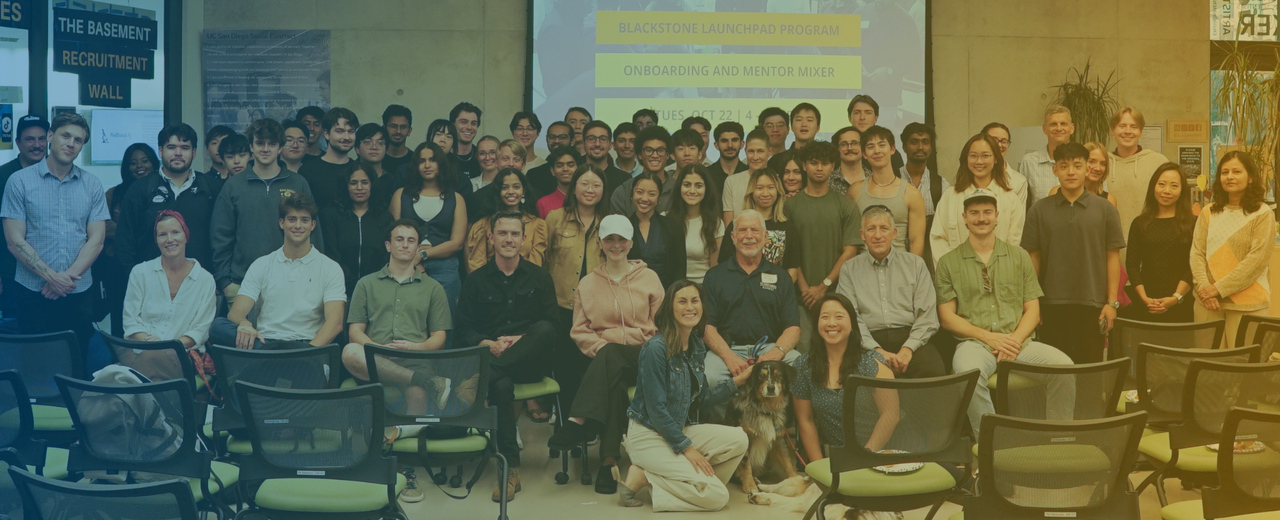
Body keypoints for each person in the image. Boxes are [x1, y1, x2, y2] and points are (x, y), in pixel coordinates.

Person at [937, 190, 1074, 437]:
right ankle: (993, 444)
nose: (981, 218)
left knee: (1065, 367)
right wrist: (989, 338)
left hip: (1018, 341)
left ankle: (1059, 439)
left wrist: (1013, 341)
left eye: (987, 212)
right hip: (975, 344)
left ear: (997, 216)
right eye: (974, 213)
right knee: (968, 374)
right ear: (964, 217)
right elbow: (947, 317)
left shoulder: (1019, 256)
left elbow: (1033, 309)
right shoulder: (948, 262)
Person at [549, 214, 665, 492]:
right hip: (607, 359)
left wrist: (642, 347)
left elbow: (664, 326)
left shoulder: (649, 278)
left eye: (621, 240)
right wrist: (603, 350)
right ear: (600, 243)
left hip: (645, 354)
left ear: (631, 242)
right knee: (613, 379)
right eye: (609, 239)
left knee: (611, 357)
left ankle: (577, 420)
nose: (616, 245)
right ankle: (608, 463)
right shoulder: (588, 283)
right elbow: (579, 330)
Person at [614, 280, 752, 512]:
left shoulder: (697, 346)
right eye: (682, 301)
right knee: (718, 498)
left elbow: (701, 399)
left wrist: (736, 382)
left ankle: (671, 479)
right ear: (670, 308)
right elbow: (656, 410)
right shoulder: (655, 349)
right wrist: (687, 449)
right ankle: (647, 478)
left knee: (740, 439)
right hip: (648, 435)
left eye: (695, 301)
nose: (690, 307)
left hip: (677, 429)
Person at [455, 211, 561, 501]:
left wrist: (520, 339)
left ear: (524, 239)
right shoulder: (475, 281)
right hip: (494, 359)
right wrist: (485, 342)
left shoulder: (540, 277)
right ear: (491, 238)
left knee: (542, 329)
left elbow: (553, 326)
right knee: (500, 386)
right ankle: (510, 469)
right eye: (502, 233)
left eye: (515, 234)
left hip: (528, 362)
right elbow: (462, 329)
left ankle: (487, 373)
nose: (509, 239)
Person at [1, 112, 107, 358]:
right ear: (51, 136)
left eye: (78, 140)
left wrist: (64, 279)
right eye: (65, 135)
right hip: (33, 293)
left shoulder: (92, 184)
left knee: (76, 362)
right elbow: (14, 241)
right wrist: (49, 276)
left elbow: (97, 240)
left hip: (77, 292)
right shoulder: (19, 182)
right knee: (35, 364)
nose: (71, 143)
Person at [1023, 142, 1125, 363]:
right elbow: (1034, 259)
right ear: (1055, 170)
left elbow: (1112, 257)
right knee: (1054, 372)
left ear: (1086, 168)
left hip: (1093, 305)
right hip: (1050, 305)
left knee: (1090, 372)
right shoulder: (1038, 210)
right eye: (1063, 166)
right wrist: (1033, 304)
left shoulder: (1105, 209)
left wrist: (1111, 303)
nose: (1070, 172)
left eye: (1077, 165)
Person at [210, 193, 345, 350]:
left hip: (306, 346)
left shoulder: (330, 268)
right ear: (282, 223)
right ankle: (273, 358)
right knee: (218, 326)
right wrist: (244, 323)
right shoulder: (261, 264)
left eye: (305, 220)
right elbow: (235, 313)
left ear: (313, 225)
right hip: (265, 342)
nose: (298, 226)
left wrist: (308, 353)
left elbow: (335, 322)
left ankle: (279, 361)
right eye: (292, 219)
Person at [210, 119, 323, 300]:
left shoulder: (298, 182)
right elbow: (220, 237)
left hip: (294, 283)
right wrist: (225, 283)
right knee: (245, 329)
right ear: (251, 147)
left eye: (272, 144)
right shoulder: (233, 186)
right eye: (260, 143)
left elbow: (313, 233)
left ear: (280, 148)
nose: (265, 149)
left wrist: (315, 277)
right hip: (243, 284)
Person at [837, 206, 945, 379]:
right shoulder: (849, 269)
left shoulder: (915, 265)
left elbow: (927, 316)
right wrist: (877, 350)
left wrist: (908, 349)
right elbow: (850, 317)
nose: (878, 235)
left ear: (894, 233)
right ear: (862, 235)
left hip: (911, 337)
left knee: (933, 372)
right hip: (868, 342)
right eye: (871, 229)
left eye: (884, 228)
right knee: (856, 377)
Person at [702, 209, 802, 389]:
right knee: (710, 377)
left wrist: (776, 353)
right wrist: (729, 357)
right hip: (727, 349)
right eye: (742, 230)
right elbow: (708, 328)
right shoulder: (714, 276)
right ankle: (724, 419)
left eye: (755, 230)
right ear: (733, 237)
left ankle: (783, 418)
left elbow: (793, 328)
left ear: (765, 236)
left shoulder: (781, 277)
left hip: (770, 347)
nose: (749, 236)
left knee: (798, 367)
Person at [793, 293, 896, 463]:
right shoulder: (804, 365)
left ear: (853, 325)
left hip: (884, 452)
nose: (831, 323)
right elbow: (806, 421)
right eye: (824, 317)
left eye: (839, 317)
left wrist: (863, 458)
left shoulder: (873, 362)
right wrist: (819, 468)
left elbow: (891, 415)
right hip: (838, 460)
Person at [1191, 151, 1276, 348]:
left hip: (1247, 303)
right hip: (1207, 302)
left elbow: (1257, 261)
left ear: (1251, 177)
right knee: (1207, 365)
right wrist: (1205, 289)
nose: (1229, 177)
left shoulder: (1262, 214)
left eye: (1237, 171)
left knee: (1242, 365)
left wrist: (1217, 289)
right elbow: (1197, 252)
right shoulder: (1208, 211)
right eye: (1225, 172)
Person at [120, 211, 216, 379]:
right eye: (162, 234)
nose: (170, 239)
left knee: (125, 384)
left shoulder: (205, 279)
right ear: (156, 241)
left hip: (181, 355)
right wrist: (154, 346)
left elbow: (200, 330)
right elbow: (130, 322)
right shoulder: (140, 272)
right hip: (141, 351)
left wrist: (168, 347)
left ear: (186, 236)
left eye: (175, 232)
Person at [115, 123, 218, 275]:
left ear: (194, 152)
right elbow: (124, 241)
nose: (178, 153)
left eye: (185, 148)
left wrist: (216, 281)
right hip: (150, 284)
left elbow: (222, 241)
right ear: (160, 151)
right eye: (171, 147)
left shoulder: (211, 188)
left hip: (200, 284)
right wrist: (134, 281)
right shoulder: (141, 188)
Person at [786, 142, 860, 346]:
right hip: (798, 299)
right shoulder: (790, 205)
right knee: (803, 353)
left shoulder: (845, 205)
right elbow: (788, 252)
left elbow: (850, 251)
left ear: (833, 167)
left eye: (825, 163)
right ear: (804, 165)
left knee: (837, 350)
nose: (819, 168)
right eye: (814, 163)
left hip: (837, 295)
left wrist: (823, 286)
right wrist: (804, 289)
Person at [389, 142, 468, 333]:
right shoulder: (401, 195)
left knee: (445, 324)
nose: (427, 165)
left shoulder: (456, 198)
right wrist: (414, 260)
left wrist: (422, 255)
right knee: (407, 322)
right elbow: (392, 235)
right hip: (405, 265)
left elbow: (457, 243)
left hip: (446, 269)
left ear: (441, 164)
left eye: (432, 160)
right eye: (422, 161)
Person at [545, 165, 607, 405]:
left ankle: (588, 419)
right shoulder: (555, 218)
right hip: (562, 306)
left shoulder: (609, 222)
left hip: (598, 308)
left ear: (603, 190)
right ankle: (566, 422)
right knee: (565, 366)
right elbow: (543, 259)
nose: (590, 190)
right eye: (584, 183)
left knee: (592, 366)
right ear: (574, 187)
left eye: (596, 185)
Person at [930, 134, 1026, 266]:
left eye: (985, 156)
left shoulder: (1010, 199)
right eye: (973, 156)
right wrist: (953, 272)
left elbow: (1013, 243)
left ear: (996, 159)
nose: (979, 162)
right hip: (958, 275)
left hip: (998, 276)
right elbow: (938, 238)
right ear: (966, 158)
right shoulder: (950, 196)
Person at [99, 143, 159, 335]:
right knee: (121, 312)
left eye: (144, 161)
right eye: (133, 163)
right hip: (117, 265)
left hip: (154, 262)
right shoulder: (114, 193)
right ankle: (120, 357)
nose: (139, 166)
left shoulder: (162, 190)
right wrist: (133, 231)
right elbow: (101, 225)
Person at [1124, 163, 1195, 323]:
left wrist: (1175, 297)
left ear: (1182, 190)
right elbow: (1132, 265)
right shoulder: (1140, 223)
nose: (1167, 191)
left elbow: (1194, 265)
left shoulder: (1193, 223)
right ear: (1153, 187)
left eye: (1174, 186)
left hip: (1181, 301)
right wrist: (1145, 298)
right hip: (1146, 301)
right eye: (1161, 184)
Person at [850, 126, 927, 257]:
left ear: (892, 149)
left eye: (881, 145)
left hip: (900, 268)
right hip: (864, 268)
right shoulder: (855, 190)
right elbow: (851, 239)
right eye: (870, 147)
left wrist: (911, 272)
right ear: (864, 154)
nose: (877, 151)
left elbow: (916, 242)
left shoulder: (911, 193)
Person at [0, 115, 48, 314]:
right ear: (18, 143)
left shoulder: (58, 174)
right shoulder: (3, 176)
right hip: (11, 273)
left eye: (42, 139)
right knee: (16, 335)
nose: (37, 145)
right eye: (30, 139)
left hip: (50, 275)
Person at [322, 164, 393, 298]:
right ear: (346, 186)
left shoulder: (384, 217)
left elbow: (387, 256)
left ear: (372, 185)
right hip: (340, 289)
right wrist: (351, 283)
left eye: (364, 182)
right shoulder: (331, 215)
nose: (359, 187)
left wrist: (371, 283)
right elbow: (331, 255)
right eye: (353, 183)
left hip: (377, 289)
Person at [1106, 107, 1170, 240]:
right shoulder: (1101, 164)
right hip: (1108, 242)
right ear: (1112, 130)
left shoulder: (1158, 162)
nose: (1127, 131)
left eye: (1133, 127)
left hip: (1149, 241)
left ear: (1141, 131)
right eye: (1122, 126)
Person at [465, 168, 546, 272]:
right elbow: (477, 265)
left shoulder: (537, 225)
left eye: (516, 187)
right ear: (498, 191)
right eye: (504, 187)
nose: (511, 192)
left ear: (523, 191)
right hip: (490, 284)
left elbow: (535, 268)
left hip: (526, 284)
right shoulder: (483, 224)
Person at [718, 168, 798, 271]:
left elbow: (793, 270)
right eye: (759, 188)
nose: (765, 193)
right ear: (751, 191)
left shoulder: (788, 227)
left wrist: (781, 287)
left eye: (770, 187)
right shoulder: (736, 225)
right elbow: (724, 266)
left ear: (778, 191)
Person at [627, 172, 686, 289]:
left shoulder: (673, 227)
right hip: (631, 297)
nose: (644, 198)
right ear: (632, 194)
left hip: (666, 297)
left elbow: (680, 270)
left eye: (652, 194)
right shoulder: (623, 228)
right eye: (639, 192)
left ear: (659, 198)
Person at [298, 107, 358, 213]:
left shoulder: (359, 170)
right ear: (326, 134)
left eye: (351, 131)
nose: (347, 137)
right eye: (340, 131)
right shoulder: (308, 170)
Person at [670, 164, 723, 284]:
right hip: (672, 289)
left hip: (703, 289)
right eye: (687, 185)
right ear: (679, 187)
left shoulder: (716, 223)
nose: (692, 191)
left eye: (698, 185)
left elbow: (715, 270)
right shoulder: (665, 218)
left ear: (706, 189)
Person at [610, 126, 677, 217]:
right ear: (639, 155)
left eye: (660, 150)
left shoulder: (678, 189)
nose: (654, 155)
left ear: (667, 155)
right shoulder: (623, 192)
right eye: (648, 150)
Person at [1018, 105, 1075, 204]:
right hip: (1040, 219)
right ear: (1044, 129)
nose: (1058, 128)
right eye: (1053, 124)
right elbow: (1021, 203)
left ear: (1071, 128)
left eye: (1063, 124)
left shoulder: (1085, 160)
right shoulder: (1029, 162)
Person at [899, 123, 949, 222]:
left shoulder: (941, 185)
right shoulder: (892, 178)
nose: (920, 147)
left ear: (931, 148)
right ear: (904, 147)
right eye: (914, 142)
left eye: (925, 142)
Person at [720, 129, 770, 224]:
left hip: (771, 236)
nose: (755, 157)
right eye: (751, 151)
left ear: (769, 151)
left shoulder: (777, 179)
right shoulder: (732, 181)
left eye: (760, 151)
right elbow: (728, 224)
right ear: (745, 152)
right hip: (739, 237)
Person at [1048, 142, 1118, 207]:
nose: (1098, 168)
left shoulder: (1109, 200)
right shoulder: (1057, 192)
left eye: (1103, 164)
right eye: (1092, 161)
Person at [579, 121, 631, 201]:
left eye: (603, 139)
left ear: (610, 145)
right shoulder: (575, 175)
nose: (597, 144)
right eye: (591, 139)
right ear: (583, 144)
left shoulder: (624, 180)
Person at [980, 122, 1029, 202]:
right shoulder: (972, 172)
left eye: (1004, 141)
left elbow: (1019, 214)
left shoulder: (1018, 181)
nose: (999, 145)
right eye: (994, 139)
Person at [525, 121, 574, 199]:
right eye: (552, 137)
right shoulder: (534, 174)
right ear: (547, 140)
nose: (557, 141)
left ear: (572, 141)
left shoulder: (582, 171)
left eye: (562, 137)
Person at [536, 146, 583, 219]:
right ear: (552, 171)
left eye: (570, 165)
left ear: (579, 168)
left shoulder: (587, 199)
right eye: (559, 165)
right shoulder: (543, 203)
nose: (565, 169)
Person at [450, 102, 483, 180]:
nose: (469, 127)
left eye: (473, 123)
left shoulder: (481, 158)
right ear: (452, 124)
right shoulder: (443, 158)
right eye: (463, 122)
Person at [381, 105, 415, 177]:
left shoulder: (416, 160)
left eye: (403, 127)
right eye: (393, 126)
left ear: (409, 131)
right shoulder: (376, 158)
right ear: (384, 129)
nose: (398, 131)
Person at [832, 126, 867, 190]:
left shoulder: (874, 179)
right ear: (837, 149)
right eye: (843, 144)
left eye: (854, 143)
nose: (850, 148)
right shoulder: (828, 180)